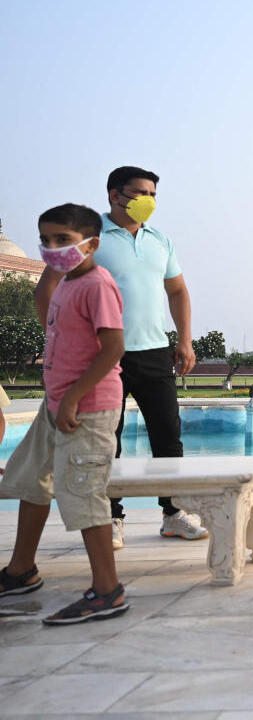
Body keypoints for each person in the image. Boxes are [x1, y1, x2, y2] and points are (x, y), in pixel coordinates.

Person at [34, 166, 206, 549]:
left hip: (154, 351)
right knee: (107, 441)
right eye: (141, 192)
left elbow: (177, 291)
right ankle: (111, 517)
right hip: (103, 358)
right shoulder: (92, 240)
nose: (149, 200)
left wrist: (185, 340)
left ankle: (173, 513)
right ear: (115, 195)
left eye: (154, 194)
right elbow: (48, 287)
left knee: (168, 435)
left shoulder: (160, 239)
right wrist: (61, 342)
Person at [0, 204, 130, 624]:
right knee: (31, 479)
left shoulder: (97, 284)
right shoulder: (66, 284)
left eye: (63, 240)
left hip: (86, 407)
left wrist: (73, 397)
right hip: (56, 404)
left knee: (82, 495)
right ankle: (21, 571)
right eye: (46, 240)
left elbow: (113, 347)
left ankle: (108, 591)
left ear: (91, 244)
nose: (52, 248)